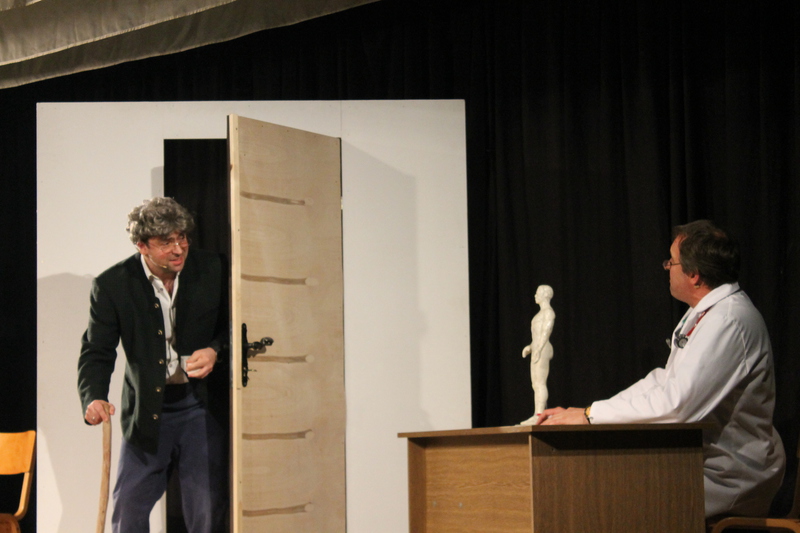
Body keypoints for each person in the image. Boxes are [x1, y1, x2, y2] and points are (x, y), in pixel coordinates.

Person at [537, 220, 785, 519]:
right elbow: (664, 380)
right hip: (704, 463)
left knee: (606, 499)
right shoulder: (704, 313)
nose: (667, 267)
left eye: (672, 261)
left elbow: (677, 405)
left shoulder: (728, 320)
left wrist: (591, 416)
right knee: (600, 487)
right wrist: (590, 412)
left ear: (693, 274)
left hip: (730, 474)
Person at [78, 197, 228, 533]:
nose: (178, 249)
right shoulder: (112, 285)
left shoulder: (213, 268)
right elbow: (97, 350)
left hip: (200, 408)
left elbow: (238, 325)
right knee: (128, 512)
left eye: (182, 237)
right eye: (166, 242)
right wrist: (93, 396)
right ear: (142, 246)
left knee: (207, 512)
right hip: (148, 410)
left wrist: (215, 350)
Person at [519, 284, 555, 425]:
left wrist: (538, 349)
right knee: (536, 384)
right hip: (537, 348)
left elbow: (546, 332)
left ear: (544, 295)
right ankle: (540, 413)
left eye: (537, 293)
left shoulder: (549, 313)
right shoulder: (540, 314)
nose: (535, 296)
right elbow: (537, 335)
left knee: (540, 383)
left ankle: (539, 414)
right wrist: (531, 347)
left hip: (543, 348)